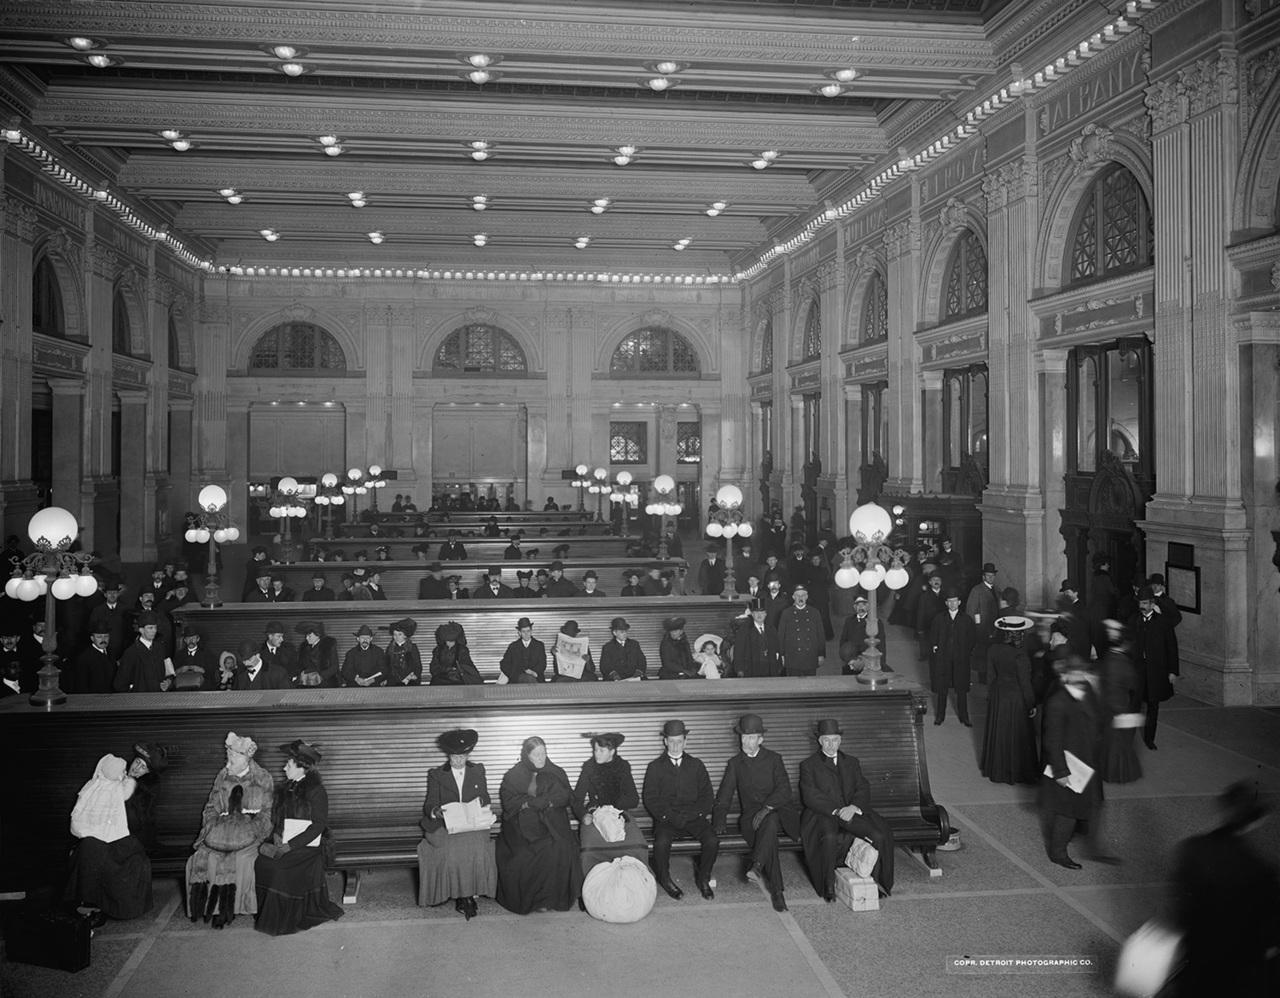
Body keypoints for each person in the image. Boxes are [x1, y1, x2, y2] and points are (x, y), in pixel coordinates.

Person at [1170, 780, 1280, 998]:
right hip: (1237, 967)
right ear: (1258, 820)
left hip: (1196, 957)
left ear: (1224, 808)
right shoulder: (1262, 871)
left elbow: (1180, 908)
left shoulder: (1193, 849)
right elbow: (1269, 934)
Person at [253, 740, 344, 936]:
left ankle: (282, 918)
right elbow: (279, 818)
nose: (284, 767)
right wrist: (277, 836)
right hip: (286, 840)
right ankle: (268, 913)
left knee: (279, 867)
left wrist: (290, 846)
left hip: (308, 846)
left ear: (302, 768)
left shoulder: (317, 791)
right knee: (262, 862)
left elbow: (318, 826)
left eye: (289, 764)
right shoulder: (285, 789)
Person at [799, 718, 895, 901]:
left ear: (840, 740)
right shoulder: (809, 765)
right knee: (828, 838)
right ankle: (827, 886)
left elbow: (862, 787)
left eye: (834, 740)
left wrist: (853, 806)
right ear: (819, 741)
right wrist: (836, 810)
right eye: (826, 740)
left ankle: (875, 883)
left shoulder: (851, 762)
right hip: (824, 815)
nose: (831, 744)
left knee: (879, 836)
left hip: (850, 812)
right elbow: (810, 796)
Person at [186, 732, 274, 927]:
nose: (229, 761)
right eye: (229, 755)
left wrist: (250, 830)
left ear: (246, 758)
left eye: (234, 757)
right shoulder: (223, 776)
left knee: (241, 859)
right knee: (205, 856)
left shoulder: (262, 778)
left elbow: (266, 812)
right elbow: (210, 807)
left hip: (249, 834)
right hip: (220, 830)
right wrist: (212, 827)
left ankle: (235, 907)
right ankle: (215, 908)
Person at [713, 714, 800, 911]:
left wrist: (767, 807)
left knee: (770, 821)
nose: (746, 742)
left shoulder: (774, 759)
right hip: (751, 818)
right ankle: (773, 887)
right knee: (768, 833)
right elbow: (724, 794)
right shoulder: (735, 763)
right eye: (744, 737)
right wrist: (719, 821)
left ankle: (759, 868)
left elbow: (785, 790)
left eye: (751, 737)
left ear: (761, 739)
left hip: (777, 811)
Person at [1038, 655, 1115, 869]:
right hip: (1071, 765)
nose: (1081, 676)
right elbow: (1052, 739)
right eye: (1076, 673)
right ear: (1064, 676)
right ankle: (1057, 852)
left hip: (1090, 762)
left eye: (1082, 672)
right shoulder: (1057, 702)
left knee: (1095, 804)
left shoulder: (1087, 691)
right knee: (1068, 812)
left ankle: (1095, 850)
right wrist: (1060, 771)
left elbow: (1098, 719)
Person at [64, 753, 154, 923]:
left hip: (123, 836)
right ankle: (89, 905)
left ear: (148, 772)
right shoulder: (102, 782)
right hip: (95, 835)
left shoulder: (140, 790)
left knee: (128, 860)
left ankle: (112, 907)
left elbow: (140, 822)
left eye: (143, 767)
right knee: (91, 850)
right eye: (137, 762)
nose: (137, 768)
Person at [417, 729, 497, 918]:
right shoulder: (436, 774)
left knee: (476, 844)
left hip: (472, 822)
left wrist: (480, 803)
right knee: (454, 846)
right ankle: (462, 895)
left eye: (462, 756)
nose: (459, 761)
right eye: (455, 757)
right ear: (448, 755)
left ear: (468, 755)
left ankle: (467, 895)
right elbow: (429, 804)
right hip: (447, 824)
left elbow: (485, 796)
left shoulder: (477, 770)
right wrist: (436, 812)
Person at [496, 736, 581, 913]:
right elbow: (509, 803)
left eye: (544, 753)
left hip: (552, 821)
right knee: (525, 852)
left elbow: (566, 797)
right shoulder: (513, 775)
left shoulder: (557, 771)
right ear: (527, 755)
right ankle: (534, 901)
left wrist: (547, 802)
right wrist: (528, 803)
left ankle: (553, 900)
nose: (541, 758)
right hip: (520, 824)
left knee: (558, 847)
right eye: (536, 754)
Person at [642, 719, 718, 900]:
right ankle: (665, 879)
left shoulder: (696, 765)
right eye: (671, 741)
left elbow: (707, 797)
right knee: (661, 843)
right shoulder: (655, 767)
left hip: (694, 818)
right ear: (665, 741)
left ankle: (703, 879)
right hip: (667, 819)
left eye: (679, 741)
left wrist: (693, 814)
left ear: (685, 741)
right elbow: (650, 799)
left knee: (712, 840)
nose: (675, 745)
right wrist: (670, 816)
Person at [573, 732, 647, 877]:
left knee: (638, 845)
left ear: (612, 751)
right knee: (588, 849)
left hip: (618, 813)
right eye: (595, 750)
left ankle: (636, 883)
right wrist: (583, 815)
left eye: (601, 750)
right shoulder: (589, 768)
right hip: (595, 812)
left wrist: (614, 806)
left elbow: (633, 799)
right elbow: (577, 798)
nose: (597, 754)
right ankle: (590, 888)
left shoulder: (623, 767)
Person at [980, 616, 1039, 785]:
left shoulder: (993, 649)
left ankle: (997, 770)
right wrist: (1031, 704)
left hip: (999, 694)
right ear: (1019, 634)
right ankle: (1016, 772)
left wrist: (991, 696)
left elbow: (990, 676)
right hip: (1016, 697)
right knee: (1017, 734)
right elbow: (1025, 683)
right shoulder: (1020, 656)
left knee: (999, 731)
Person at [1129, 585, 1179, 750]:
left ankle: (1150, 738)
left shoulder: (1163, 623)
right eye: (1140, 603)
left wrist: (1173, 671)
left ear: (1151, 604)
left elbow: (1172, 648)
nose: (1141, 606)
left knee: (1153, 705)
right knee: (1133, 703)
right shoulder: (1132, 620)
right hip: (1137, 669)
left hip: (1156, 670)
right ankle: (1127, 738)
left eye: (1144, 603)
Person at [1099, 618, 1142, 784]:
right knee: (1119, 741)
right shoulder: (1123, 662)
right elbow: (1132, 683)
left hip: (1108, 704)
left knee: (1110, 740)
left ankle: (1108, 771)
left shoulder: (1109, 658)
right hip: (1119, 704)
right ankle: (1117, 773)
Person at [928, 590, 975, 725]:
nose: (952, 604)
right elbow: (933, 636)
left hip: (961, 659)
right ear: (946, 603)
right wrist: (936, 648)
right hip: (943, 658)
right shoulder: (939, 618)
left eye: (955, 601)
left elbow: (972, 638)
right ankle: (940, 715)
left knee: (961, 688)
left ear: (959, 602)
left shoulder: (966, 619)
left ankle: (964, 716)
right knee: (942, 688)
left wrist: (966, 652)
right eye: (949, 601)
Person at [113, 611, 175, 692]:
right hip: (140, 699)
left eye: (155, 627)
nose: (154, 631)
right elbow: (120, 684)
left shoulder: (161, 648)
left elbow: (170, 673)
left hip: (159, 697)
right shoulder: (131, 652)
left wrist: (168, 682)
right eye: (150, 628)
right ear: (141, 630)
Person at [725, 597, 783, 677]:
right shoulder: (744, 630)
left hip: (770, 669)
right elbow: (738, 651)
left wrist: (778, 666)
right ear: (752, 614)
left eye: (762, 612)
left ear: (766, 614)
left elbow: (777, 648)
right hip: (751, 669)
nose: (759, 615)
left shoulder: (771, 629)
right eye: (756, 612)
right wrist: (740, 670)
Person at [777, 581, 825, 676]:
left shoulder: (815, 612)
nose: (800, 598)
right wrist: (781, 655)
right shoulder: (786, 613)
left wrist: (821, 654)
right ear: (793, 597)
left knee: (810, 684)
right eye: (798, 595)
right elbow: (781, 635)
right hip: (792, 656)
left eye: (803, 595)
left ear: (807, 597)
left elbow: (820, 635)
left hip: (810, 656)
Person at [965, 562, 1000, 682]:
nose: (991, 578)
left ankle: (989, 675)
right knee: (982, 653)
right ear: (983, 576)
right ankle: (982, 677)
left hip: (994, 627)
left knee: (991, 652)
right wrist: (978, 626)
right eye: (988, 576)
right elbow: (971, 610)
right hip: (982, 628)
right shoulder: (977, 590)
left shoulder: (996, 589)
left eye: (992, 576)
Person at [839, 594, 889, 675]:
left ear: (868, 606)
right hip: (852, 660)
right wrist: (850, 661)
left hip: (869, 660)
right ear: (854, 607)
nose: (860, 607)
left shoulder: (876, 622)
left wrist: (879, 663)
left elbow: (881, 645)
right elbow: (843, 641)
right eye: (858, 605)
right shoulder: (849, 621)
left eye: (864, 604)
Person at [428, 621, 482, 685]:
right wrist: (448, 669)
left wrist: (457, 670)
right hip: (439, 681)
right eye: (447, 641)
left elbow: (467, 666)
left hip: (457, 681)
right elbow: (433, 668)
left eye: (452, 641)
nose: (449, 643)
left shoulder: (462, 650)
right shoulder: (438, 650)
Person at [67, 626, 118, 694]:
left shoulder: (111, 652)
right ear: (92, 638)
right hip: (94, 699)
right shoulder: (84, 658)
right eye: (99, 637)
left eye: (106, 636)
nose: (103, 640)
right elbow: (81, 686)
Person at [499, 616, 546, 684]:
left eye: (528, 631)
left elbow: (542, 664)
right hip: (517, 681)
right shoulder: (513, 647)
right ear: (519, 633)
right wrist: (514, 675)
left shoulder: (539, 645)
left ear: (531, 631)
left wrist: (533, 672)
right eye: (523, 631)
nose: (526, 634)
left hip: (536, 679)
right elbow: (504, 664)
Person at [599, 616, 646, 681]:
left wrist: (638, 672)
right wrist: (614, 675)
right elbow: (604, 666)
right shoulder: (608, 647)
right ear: (614, 633)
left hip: (634, 677)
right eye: (622, 632)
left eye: (626, 631)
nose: (625, 634)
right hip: (615, 679)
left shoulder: (634, 644)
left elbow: (642, 661)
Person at [172, 626, 219, 691]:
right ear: (185, 640)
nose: (191, 640)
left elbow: (213, 674)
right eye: (188, 638)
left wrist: (202, 670)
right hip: (182, 692)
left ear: (198, 639)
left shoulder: (207, 654)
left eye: (193, 638)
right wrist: (179, 670)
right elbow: (171, 674)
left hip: (202, 691)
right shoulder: (178, 655)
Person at [294, 621, 340, 688]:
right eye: (306, 635)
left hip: (325, 683)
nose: (306, 638)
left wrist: (320, 676)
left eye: (309, 636)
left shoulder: (328, 646)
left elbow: (334, 667)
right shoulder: (303, 648)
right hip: (307, 683)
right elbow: (300, 666)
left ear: (318, 635)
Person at [386, 617, 422, 685]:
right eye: (395, 635)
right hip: (393, 682)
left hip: (410, 681)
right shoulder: (389, 649)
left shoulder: (412, 648)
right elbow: (387, 666)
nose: (396, 637)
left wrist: (410, 677)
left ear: (405, 635)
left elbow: (417, 666)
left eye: (399, 634)